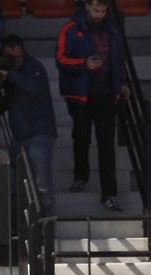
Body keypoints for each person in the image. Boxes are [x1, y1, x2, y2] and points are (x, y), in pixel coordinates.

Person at [56, 0, 126, 211]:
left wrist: (121, 83)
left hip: (106, 93)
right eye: (96, 10)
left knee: (106, 144)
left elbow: (118, 59)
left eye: (103, 10)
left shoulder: (113, 27)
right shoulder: (70, 28)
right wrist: (83, 64)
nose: (100, 14)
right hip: (80, 94)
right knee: (82, 136)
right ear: (86, 6)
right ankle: (81, 175)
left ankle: (109, 193)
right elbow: (60, 59)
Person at [0, 34, 57, 211]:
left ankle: (47, 230)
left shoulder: (34, 67)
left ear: (21, 49)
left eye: (14, 56)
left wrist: (10, 75)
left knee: (42, 186)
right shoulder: (8, 73)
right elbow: (4, 105)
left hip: (39, 134)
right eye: (7, 56)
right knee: (19, 186)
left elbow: (35, 88)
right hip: (18, 137)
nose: (12, 60)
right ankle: (25, 228)